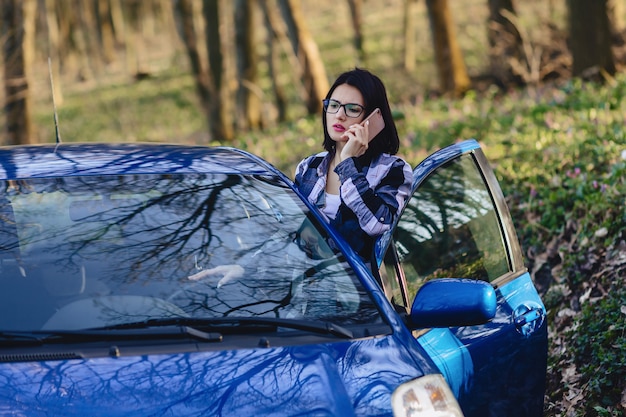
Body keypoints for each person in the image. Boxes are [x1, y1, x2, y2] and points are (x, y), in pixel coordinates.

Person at [294, 68, 412, 262]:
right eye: (334, 105)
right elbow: (290, 232)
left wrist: (348, 163)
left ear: (374, 119)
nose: (339, 115)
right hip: (308, 286)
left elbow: (377, 225)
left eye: (353, 109)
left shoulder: (394, 170)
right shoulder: (309, 167)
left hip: (360, 289)